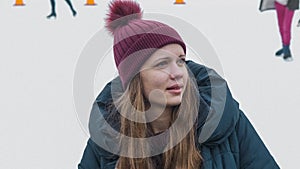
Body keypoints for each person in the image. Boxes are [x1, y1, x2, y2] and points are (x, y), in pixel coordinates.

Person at [78, 1, 280, 168]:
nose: (177, 73)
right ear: (135, 79)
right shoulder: (107, 138)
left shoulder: (222, 119)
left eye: (181, 61)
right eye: (162, 64)